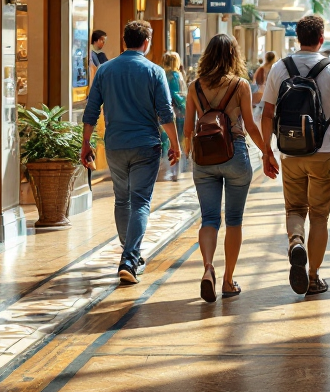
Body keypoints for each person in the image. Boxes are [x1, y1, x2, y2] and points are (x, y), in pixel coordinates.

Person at [261, 14, 330, 296]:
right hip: (323, 151)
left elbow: (268, 113)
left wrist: (267, 150)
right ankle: (313, 276)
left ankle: (295, 242)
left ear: (297, 37)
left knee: (294, 209)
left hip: (289, 151)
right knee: (319, 217)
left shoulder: (280, 67)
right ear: (321, 39)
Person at [81, 20, 180, 285]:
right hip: (146, 145)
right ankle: (129, 258)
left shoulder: (105, 70)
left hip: (115, 145)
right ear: (146, 43)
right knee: (141, 202)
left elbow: (91, 111)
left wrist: (86, 144)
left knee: (121, 200)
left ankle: (130, 253)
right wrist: (176, 144)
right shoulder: (154, 71)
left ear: (124, 41)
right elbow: (165, 113)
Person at [184, 34, 268, 302]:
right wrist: (267, 152)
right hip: (235, 157)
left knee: (209, 218)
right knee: (234, 221)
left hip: (204, 159)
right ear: (234, 55)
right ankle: (228, 281)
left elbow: (187, 129)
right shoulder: (240, 85)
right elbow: (251, 125)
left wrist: (190, 155)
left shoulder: (194, 86)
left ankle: (208, 267)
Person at [162, 52, 188, 181]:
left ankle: (170, 168)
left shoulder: (162, 74)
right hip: (178, 112)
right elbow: (178, 94)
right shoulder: (176, 75)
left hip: (164, 113)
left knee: (168, 140)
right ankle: (175, 170)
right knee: (178, 140)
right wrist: (184, 105)